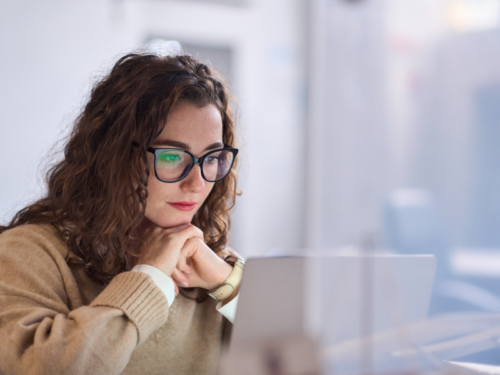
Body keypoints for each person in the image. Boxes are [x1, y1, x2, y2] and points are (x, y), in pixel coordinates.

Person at [0, 52, 243, 375]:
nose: (196, 183)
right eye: (172, 157)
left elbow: (301, 351)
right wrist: (151, 277)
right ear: (112, 156)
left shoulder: (209, 260)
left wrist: (229, 284)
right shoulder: (27, 254)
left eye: (212, 158)